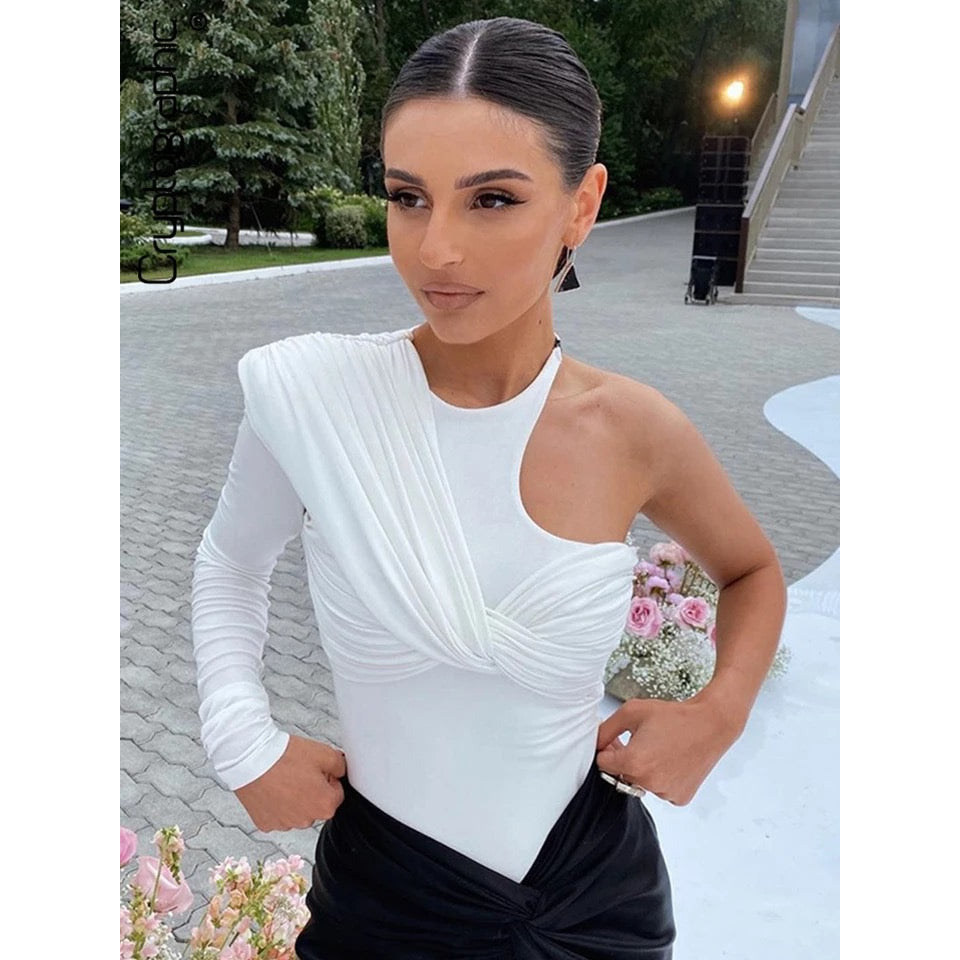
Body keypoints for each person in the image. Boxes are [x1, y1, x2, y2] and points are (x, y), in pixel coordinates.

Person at [191, 15, 787, 960]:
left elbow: (752, 570)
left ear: (582, 206)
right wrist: (241, 739)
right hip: (385, 906)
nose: (436, 249)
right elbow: (231, 562)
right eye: (408, 197)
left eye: (493, 200)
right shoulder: (314, 399)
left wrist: (720, 712)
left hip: (594, 903)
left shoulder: (632, 429)